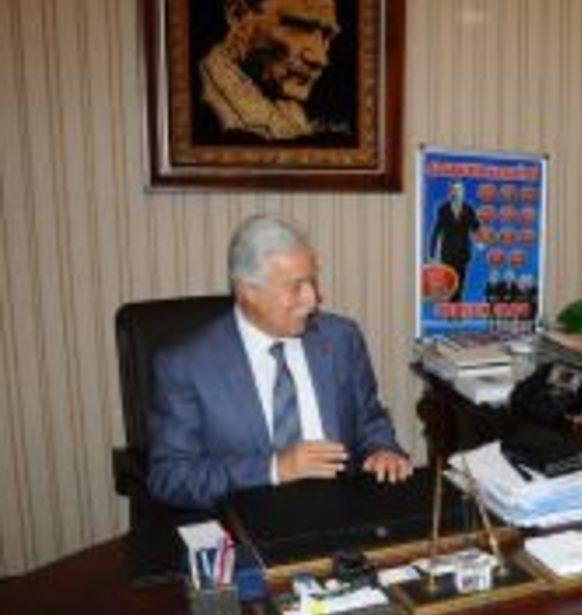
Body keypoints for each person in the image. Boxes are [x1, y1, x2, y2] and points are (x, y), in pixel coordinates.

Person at [147, 215, 412, 509]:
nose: (313, 299)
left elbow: (369, 420)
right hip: (247, 519)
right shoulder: (186, 364)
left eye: (312, 281)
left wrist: (383, 450)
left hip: (341, 513)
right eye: (296, 287)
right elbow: (171, 477)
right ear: (248, 291)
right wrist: (275, 468)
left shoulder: (340, 339)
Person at [197, 0, 342, 141]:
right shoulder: (205, 106)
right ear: (238, 15)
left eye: (326, 36)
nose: (321, 59)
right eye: (299, 27)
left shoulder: (287, 104)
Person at [428, 181, 481, 302]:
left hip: (463, 253)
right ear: (450, 192)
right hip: (447, 253)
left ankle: (457, 306)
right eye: (454, 190)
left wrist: (479, 242)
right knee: (449, 282)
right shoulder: (443, 209)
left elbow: (476, 228)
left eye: (459, 190)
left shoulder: (469, 210)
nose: (456, 193)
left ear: (463, 193)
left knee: (460, 282)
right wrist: (431, 252)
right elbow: (437, 230)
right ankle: (450, 306)